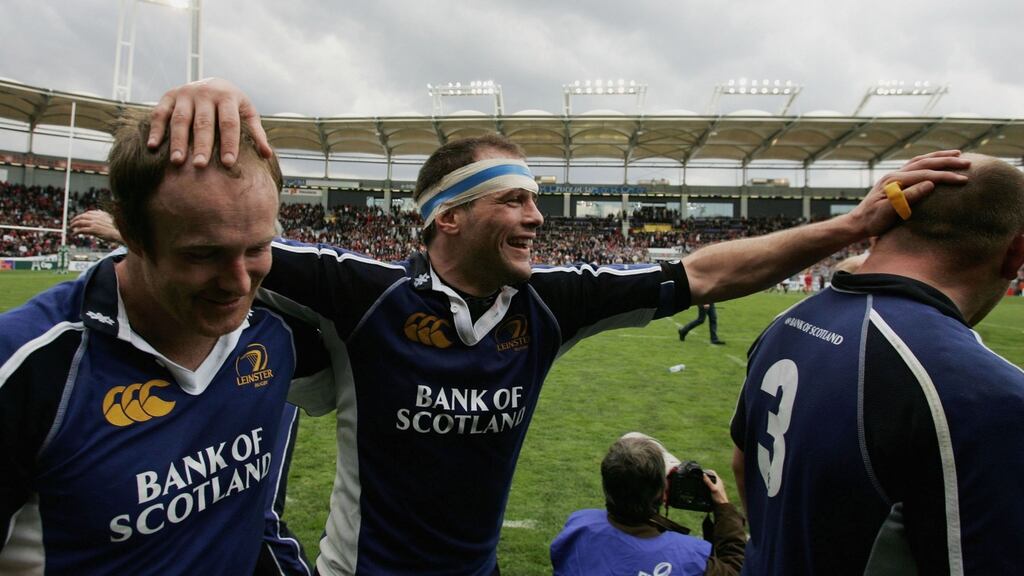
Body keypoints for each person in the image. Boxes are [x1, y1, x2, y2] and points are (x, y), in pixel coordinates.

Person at [137, 78, 969, 575]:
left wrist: (849, 225)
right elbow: (216, 233)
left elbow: (706, 271)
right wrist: (196, 114)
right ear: (447, 219)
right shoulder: (363, 295)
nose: (540, 215)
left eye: (537, 197)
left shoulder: (552, 304)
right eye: (516, 198)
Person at [0, 109, 318, 574]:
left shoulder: (278, 333)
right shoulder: (26, 364)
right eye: (202, 254)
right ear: (130, 236)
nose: (237, 283)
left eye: (257, 248)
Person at [730, 153, 1024, 575]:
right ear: (1016, 253)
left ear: (881, 227)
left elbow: (742, 463)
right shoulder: (988, 394)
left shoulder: (786, 322)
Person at [550, 433, 744, 575]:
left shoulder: (577, 528)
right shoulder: (690, 558)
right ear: (662, 493)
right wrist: (723, 506)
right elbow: (737, 569)